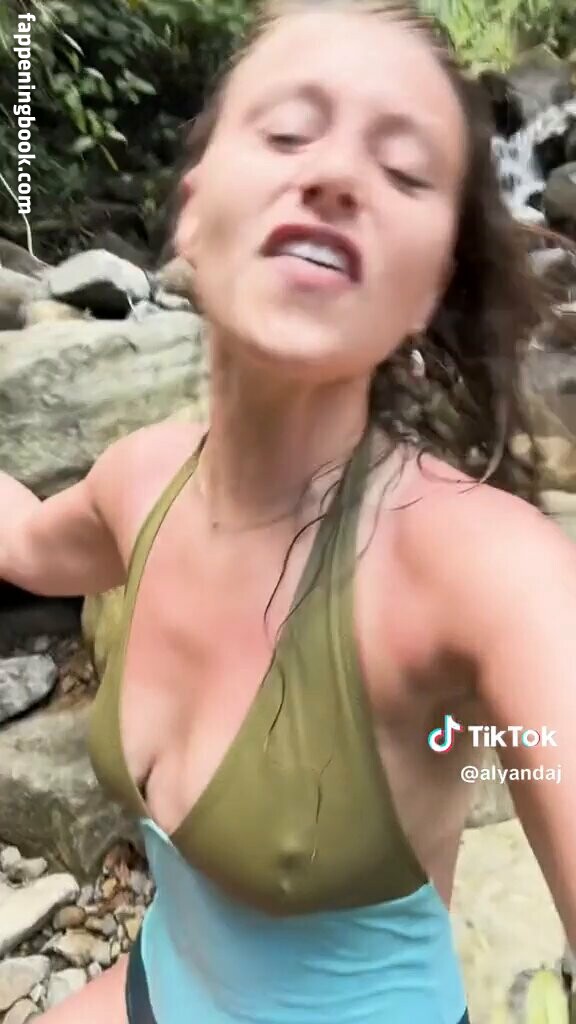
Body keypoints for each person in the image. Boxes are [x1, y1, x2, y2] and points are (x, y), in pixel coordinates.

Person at [2, 1, 576, 1021]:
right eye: (286, 133)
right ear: (192, 211)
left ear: (429, 285)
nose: (337, 175)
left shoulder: (488, 571)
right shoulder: (138, 481)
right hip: (157, 989)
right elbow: (21, 539)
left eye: (403, 171)